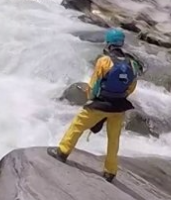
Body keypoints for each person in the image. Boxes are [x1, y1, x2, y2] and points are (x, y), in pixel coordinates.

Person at [48, 28, 143, 183]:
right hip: (119, 107)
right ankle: (110, 171)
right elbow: (131, 87)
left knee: (77, 125)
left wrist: (91, 98)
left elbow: (94, 85)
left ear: (108, 43)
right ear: (121, 44)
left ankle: (63, 151)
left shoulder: (104, 61)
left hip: (101, 104)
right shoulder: (132, 63)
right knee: (114, 139)